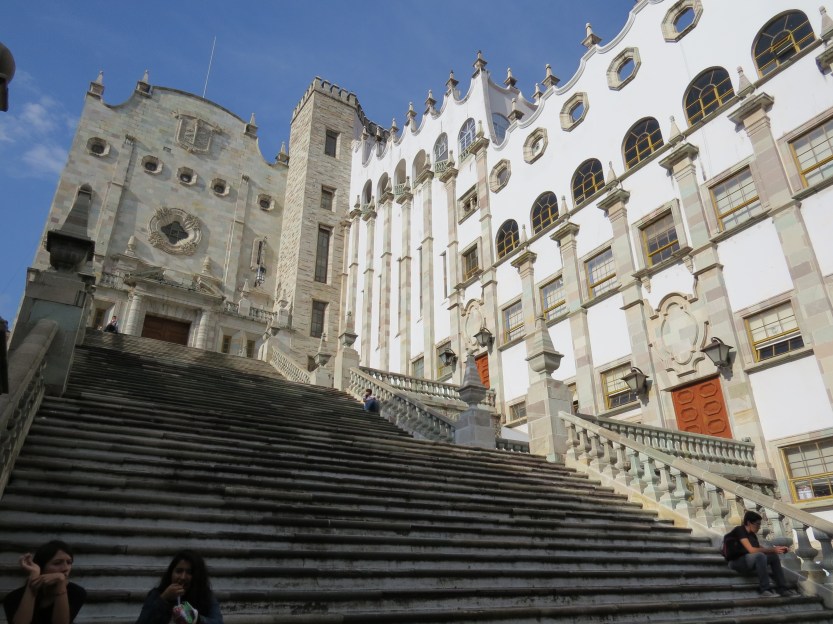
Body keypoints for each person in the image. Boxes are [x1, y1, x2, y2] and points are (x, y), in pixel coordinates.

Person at [2, 540, 86, 624]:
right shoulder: (14, 597)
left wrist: (61, 583)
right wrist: (34, 578)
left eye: (69, 562)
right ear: (41, 566)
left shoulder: (76, 592)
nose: (66, 568)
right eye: (57, 563)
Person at [724, 510, 799, 597]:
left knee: (773, 557)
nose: (759, 527)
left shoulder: (752, 535)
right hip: (736, 562)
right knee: (760, 556)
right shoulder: (740, 530)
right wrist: (772, 550)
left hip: (748, 560)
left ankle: (782, 589)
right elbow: (752, 550)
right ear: (748, 523)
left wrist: (777, 550)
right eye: (757, 524)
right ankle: (765, 590)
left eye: (760, 524)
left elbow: (759, 548)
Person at [135, 550, 223, 624]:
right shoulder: (157, 594)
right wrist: (163, 599)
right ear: (171, 573)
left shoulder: (206, 597)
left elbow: (218, 621)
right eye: (179, 571)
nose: (183, 577)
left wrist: (196, 618)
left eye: (189, 572)